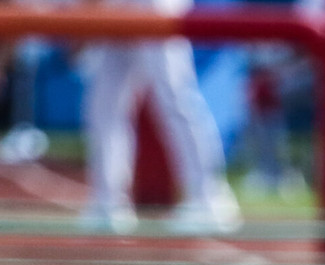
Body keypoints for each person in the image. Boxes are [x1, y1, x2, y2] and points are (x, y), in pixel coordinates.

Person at [78, 0, 242, 235]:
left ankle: (209, 198)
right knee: (104, 105)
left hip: (152, 6)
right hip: (117, 9)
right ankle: (108, 202)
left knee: (174, 99)